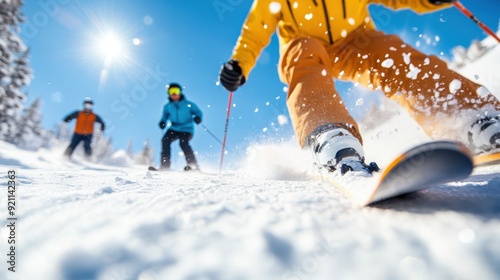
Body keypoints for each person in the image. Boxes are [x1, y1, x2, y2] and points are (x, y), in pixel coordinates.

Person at [219, 0, 500, 173]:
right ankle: (327, 134)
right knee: (302, 54)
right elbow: (254, 31)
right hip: (305, 42)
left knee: (390, 53)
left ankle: (468, 116)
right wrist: (239, 64)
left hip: (356, 41)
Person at [158, 83, 203, 171]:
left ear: (180, 92)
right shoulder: (167, 107)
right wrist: (162, 122)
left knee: (183, 143)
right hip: (174, 128)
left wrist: (198, 118)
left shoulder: (189, 104)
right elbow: (164, 117)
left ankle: (193, 165)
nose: (174, 94)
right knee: (165, 140)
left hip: (187, 128)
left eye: (176, 91)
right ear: (168, 93)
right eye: (172, 91)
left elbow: (198, 112)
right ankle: (165, 165)